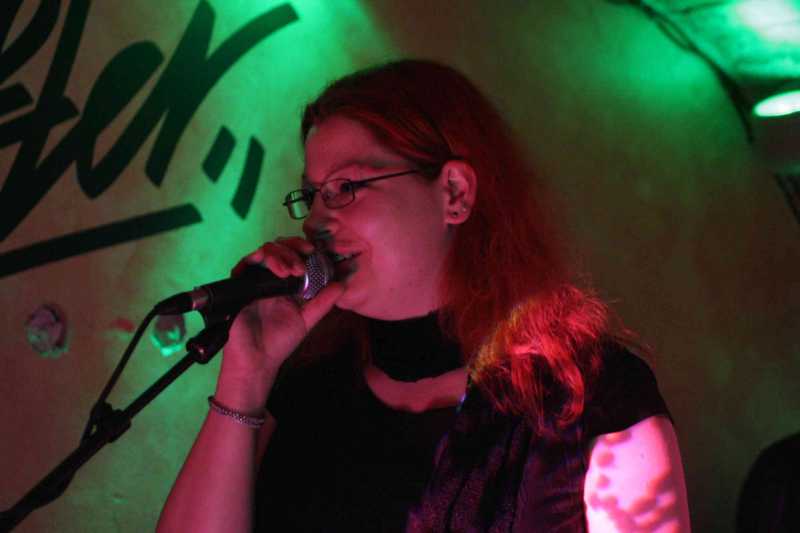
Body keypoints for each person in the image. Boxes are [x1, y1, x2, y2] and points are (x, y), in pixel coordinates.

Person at [156, 59, 691, 532]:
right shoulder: (310, 382)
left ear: (454, 192)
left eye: (346, 187)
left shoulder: (590, 394)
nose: (317, 220)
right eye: (313, 194)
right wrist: (245, 377)